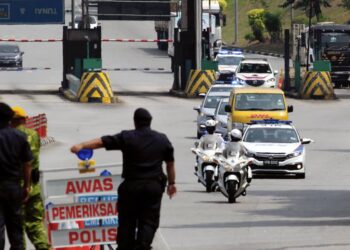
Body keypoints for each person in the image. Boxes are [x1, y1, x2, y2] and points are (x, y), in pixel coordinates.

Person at [70, 108, 176, 250]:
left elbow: (102, 142)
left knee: (127, 222)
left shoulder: (127, 137)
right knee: (149, 222)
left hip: (131, 188)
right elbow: (170, 164)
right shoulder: (162, 139)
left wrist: (81, 145)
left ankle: (126, 246)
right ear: (150, 122)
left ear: (135, 122)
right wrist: (171, 184)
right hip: (152, 188)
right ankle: (142, 246)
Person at [11, 106, 51, 250]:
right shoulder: (34, 135)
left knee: (17, 227)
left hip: (15, 187)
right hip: (33, 187)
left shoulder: (9, 135)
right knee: (35, 224)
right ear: (24, 119)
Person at [0, 102, 32, 250]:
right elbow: (27, 164)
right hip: (13, 188)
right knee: (16, 231)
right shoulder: (20, 136)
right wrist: (26, 186)